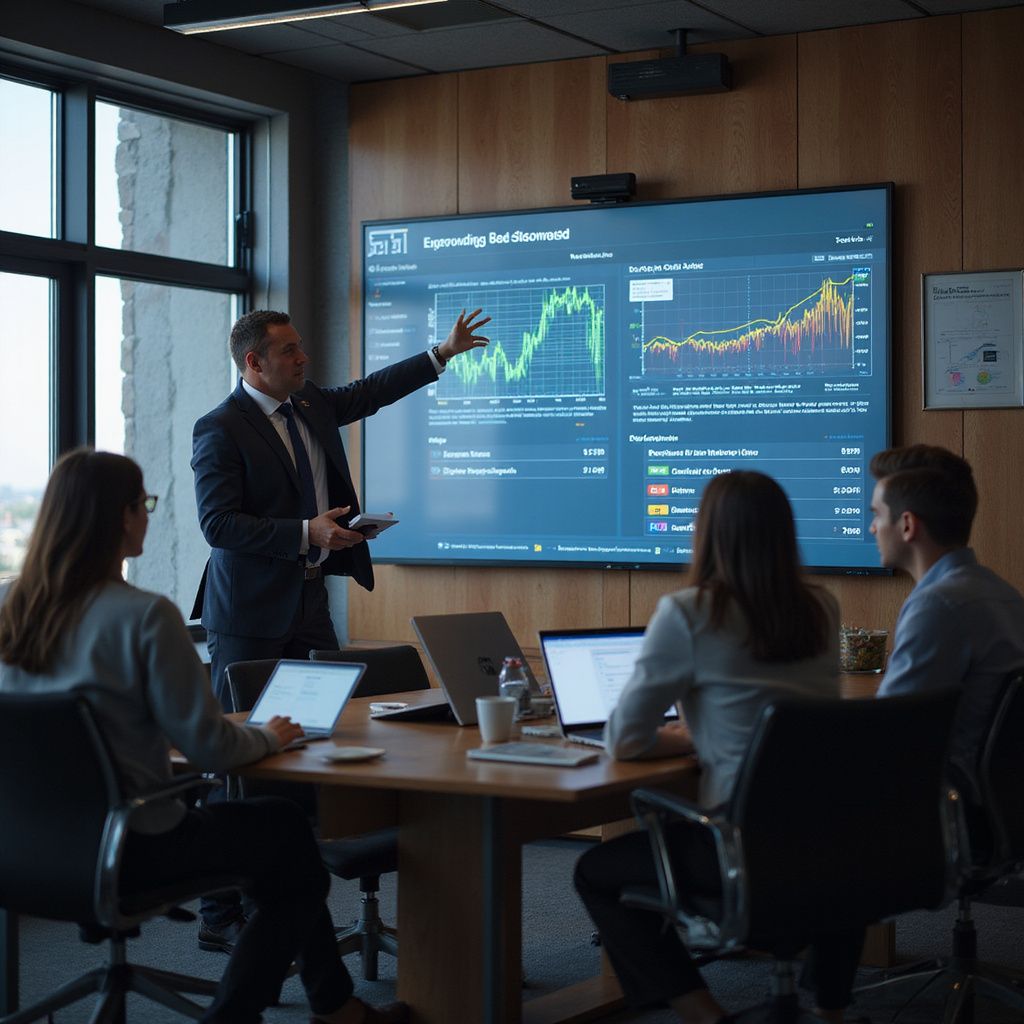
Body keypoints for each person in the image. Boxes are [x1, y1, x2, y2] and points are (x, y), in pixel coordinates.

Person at [0, 449, 407, 1024]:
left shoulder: (10, 608)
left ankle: (336, 1007)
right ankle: (254, 1014)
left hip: (21, 848)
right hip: (129, 844)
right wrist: (270, 736)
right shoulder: (142, 616)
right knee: (286, 834)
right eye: (143, 504)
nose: (147, 516)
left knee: (277, 841)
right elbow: (211, 749)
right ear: (120, 517)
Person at [191, 306, 489, 944]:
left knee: (317, 736)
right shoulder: (219, 428)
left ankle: (285, 888)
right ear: (254, 362)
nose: (303, 359)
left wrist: (440, 353)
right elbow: (218, 525)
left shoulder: (309, 406)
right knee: (238, 759)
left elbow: (368, 394)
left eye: (301, 348)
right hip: (247, 610)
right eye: (290, 351)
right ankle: (219, 913)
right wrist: (306, 532)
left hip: (308, 602)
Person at [573, 470, 854, 1024]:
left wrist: (688, 736)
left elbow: (624, 740)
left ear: (707, 533)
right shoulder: (821, 608)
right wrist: (706, 735)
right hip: (831, 840)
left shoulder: (689, 612)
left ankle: (702, 1012)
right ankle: (830, 1009)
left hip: (738, 845)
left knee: (594, 873)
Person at [868, 444, 1024, 804]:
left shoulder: (938, 605)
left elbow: (886, 736)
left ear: (907, 525)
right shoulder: (1005, 594)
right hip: (997, 808)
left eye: (876, 514)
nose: (872, 526)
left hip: (940, 809)